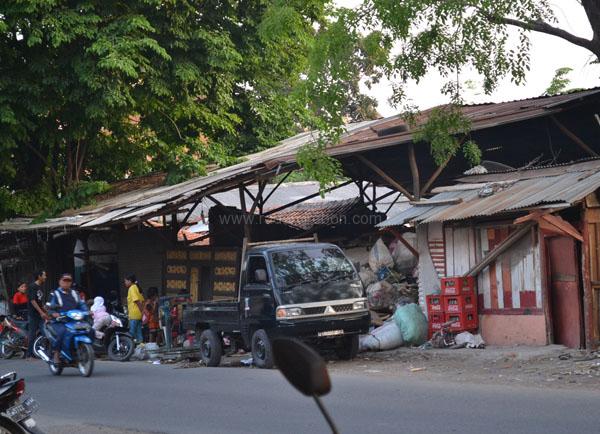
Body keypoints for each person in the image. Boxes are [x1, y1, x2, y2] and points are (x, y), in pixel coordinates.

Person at [47, 273, 88, 364]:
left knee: (90, 329)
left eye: (69, 281)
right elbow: (50, 306)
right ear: (60, 282)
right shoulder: (55, 294)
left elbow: (81, 304)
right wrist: (54, 313)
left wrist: (87, 311)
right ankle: (56, 354)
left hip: (74, 320)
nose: (66, 283)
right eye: (64, 281)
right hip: (60, 321)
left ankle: (84, 349)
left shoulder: (74, 293)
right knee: (62, 333)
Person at [27, 270, 48, 359]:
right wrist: (41, 312)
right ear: (39, 276)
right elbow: (33, 301)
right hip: (33, 315)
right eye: (44, 275)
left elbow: (39, 301)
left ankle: (46, 352)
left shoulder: (39, 287)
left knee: (45, 332)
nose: (45, 277)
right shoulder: (33, 286)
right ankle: (29, 355)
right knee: (32, 334)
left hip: (40, 314)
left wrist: (46, 311)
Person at [125, 275, 144, 344]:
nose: (125, 283)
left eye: (126, 281)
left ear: (130, 281)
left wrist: (142, 311)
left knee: (131, 334)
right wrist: (142, 312)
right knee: (139, 333)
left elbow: (137, 301)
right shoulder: (136, 288)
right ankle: (141, 348)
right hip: (138, 315)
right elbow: (142, 301)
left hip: (134, 315)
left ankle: (128, 348)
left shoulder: (132, 288)